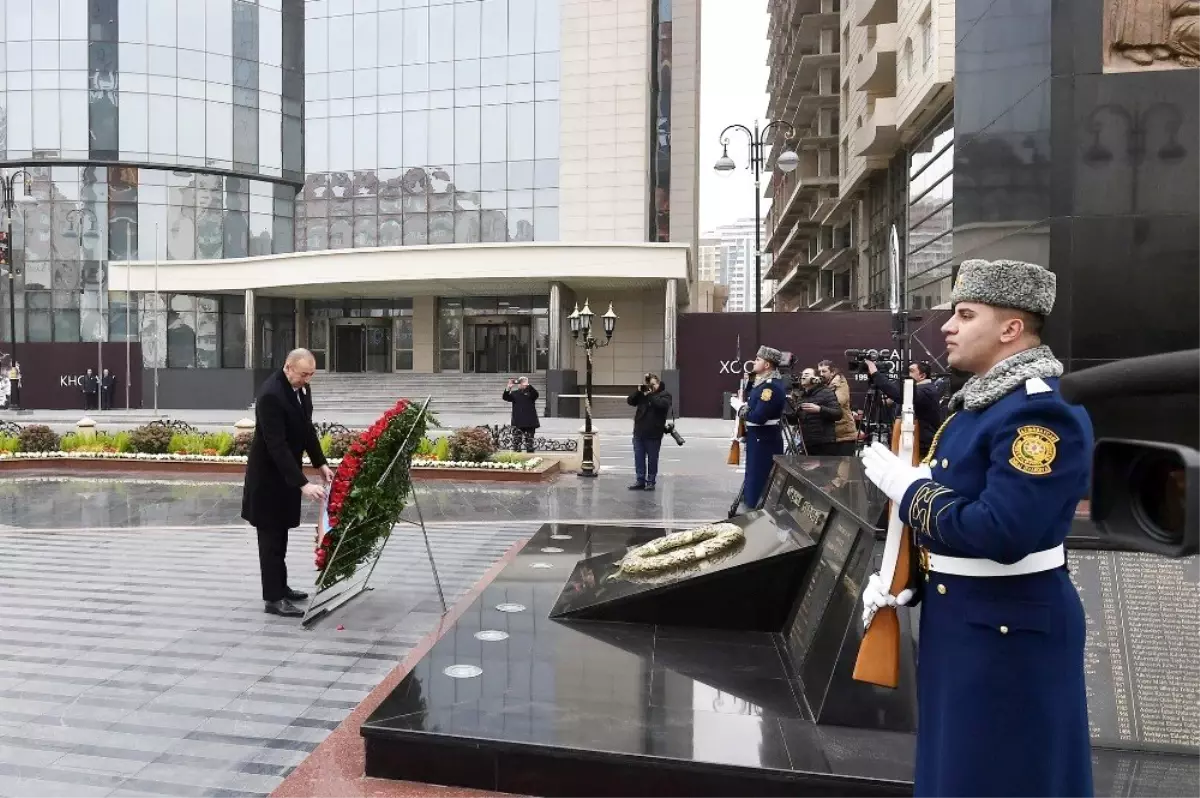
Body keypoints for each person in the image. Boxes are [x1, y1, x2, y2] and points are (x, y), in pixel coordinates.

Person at [860, 259, 1094, 798]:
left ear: (1011, 328)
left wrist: (911, 490)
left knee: (1004, 775)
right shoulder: (981, 408)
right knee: (959, 771)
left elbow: (1003, 532)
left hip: (1008, 633)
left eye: (965, 315)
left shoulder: (1037, 415)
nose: (947, 326)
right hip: (968, 620)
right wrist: (907, 583)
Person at [241, 349, 334, 618]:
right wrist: (303, 484)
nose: (306, 380)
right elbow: (276, 446)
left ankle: (281, 586)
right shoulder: (271, 395)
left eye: (311, 375)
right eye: (303, 374)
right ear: (288, 367)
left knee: (281, 535)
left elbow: (307, 429)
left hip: (285, 476)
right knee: (270, 539)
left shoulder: (301, 390)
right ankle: (272, 598)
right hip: (268, 479)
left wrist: (320, 463)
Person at [730, 346, 787, 509]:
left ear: (767, 365)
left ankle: (755, 508)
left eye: (758, 360)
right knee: (752, 473)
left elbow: (758, 417)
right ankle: (751, 503)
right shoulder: (762, 384)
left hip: (764, 439)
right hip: (757, 437)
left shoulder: (770, 387)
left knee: (758, 475)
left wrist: (740, 408)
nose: (754, 362)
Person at [865, 359, 945, 457]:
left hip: (920, 446)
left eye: (911, 371)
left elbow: (900, 396)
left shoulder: (927, 390)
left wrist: (875, 373)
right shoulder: (920, 390)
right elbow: (886, 401)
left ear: (922, 376)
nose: (907, 375)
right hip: (912, 442)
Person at [626, 373, 672, 491]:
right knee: (639, 458)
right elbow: (630, 401)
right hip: (639, 432)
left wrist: (650, 394)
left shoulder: (665, 395)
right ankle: (640, 480)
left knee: (652, 459)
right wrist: (638, 391)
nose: (650, 387)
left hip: (654, 434)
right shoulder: (643, 394)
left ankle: (651, 481)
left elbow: (661, 405)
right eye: (648, 384)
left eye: (652, 384)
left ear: (658, 383)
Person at [791, 367, 843, 455]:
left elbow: (838, 414)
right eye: (802, 375)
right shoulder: (801, 396)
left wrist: (819, 409)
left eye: (806, 375)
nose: (803, 377)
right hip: (806, 444)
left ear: (816, 379)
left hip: (824, 444)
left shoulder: (826, 392)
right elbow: (795, 420)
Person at [816, 360, 858, 454]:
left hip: (844, 435)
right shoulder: (822, 385)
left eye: (824, 371)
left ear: (833, 372)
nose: (821, 374)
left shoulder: (840, 383)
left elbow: (838, 403)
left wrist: (818, 404)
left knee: (844, 466)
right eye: (819, 371)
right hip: (829, 435)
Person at [503, 376, 540, 453]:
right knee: (516, 444)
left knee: (529, 444)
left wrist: (528, 385)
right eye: (520, 383)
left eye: (523, 383)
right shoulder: (514, 393)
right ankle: (517, 454)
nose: (521, 384)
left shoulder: (531, 393)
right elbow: (505, 397)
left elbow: (536, 394)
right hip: (518, 421)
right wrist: (508, 387)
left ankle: (530, 455)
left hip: (530, 421)